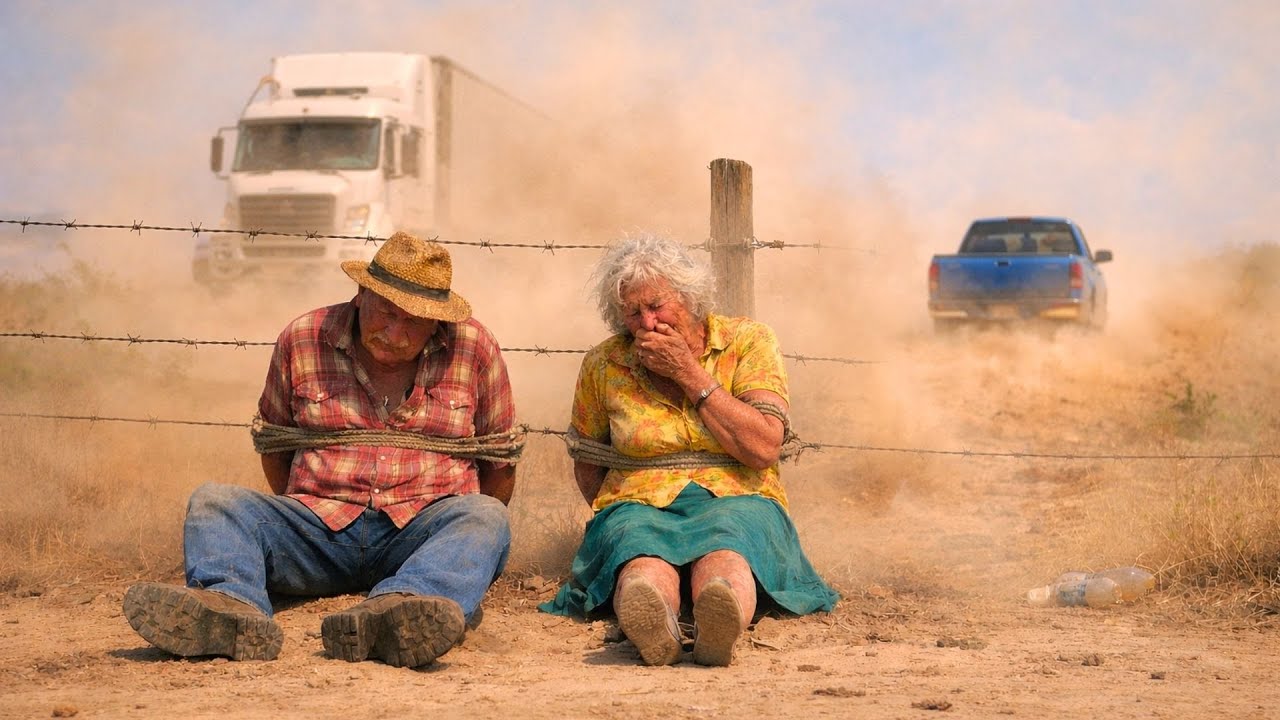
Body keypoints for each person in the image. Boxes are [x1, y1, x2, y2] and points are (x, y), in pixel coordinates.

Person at [123, 231, 521, 667]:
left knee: (485, 516)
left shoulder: (474, 347)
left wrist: (446, 540)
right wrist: (304, 513)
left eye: (414, 321)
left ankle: (404, 605)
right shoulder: (302, 338)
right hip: (316, 528)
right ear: (361, 293)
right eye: (386, 313)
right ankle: (229, 607)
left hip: (421, 532)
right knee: (215, 501)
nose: (395, 333)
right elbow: (276, 444)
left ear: (437, 320)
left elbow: (499, 463)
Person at [539, 233, 839, 666]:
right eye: (633, 312)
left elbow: (763, 446)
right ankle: (653, 625)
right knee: (638, 553)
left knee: (728, 549)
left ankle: (720, 623)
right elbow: (588, 461)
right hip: (639, 500)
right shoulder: (605, 363)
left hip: (738, 495)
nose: (647, 322)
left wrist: (687, 372)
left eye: (657, 305)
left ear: (690, 297)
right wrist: (617, 514)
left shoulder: (748, 342)